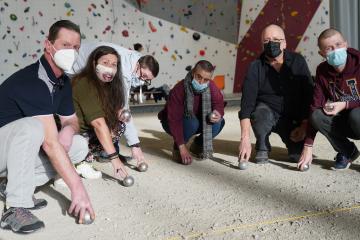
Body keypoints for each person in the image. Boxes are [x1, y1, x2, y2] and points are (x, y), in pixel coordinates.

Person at [0, 20, 94, 233]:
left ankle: (9, 186)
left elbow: (72, 121)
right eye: (65, 45)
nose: (71, 51)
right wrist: (78, 188)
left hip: (13, 153)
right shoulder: (32, 80)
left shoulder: (63, 82)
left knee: (79, 145)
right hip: (2, 149)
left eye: (76, 47)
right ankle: (15, 208)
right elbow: (50, 144)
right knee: (34, 128)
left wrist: (68, 132)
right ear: (48, 45)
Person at [71, 42, 159, 174]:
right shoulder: (122, 71)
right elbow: (124, 109)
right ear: (138, 65)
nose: (142, 81)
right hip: (74, 68)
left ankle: (106, 149)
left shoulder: (136, 59)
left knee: (116, 118)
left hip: (88, 72)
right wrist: (134, 145)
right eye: (143, 76)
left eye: (147, 80)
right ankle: (86, 154)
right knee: (106, 119)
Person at [238, 24, 314, 165]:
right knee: (260, 114)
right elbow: (246, 106)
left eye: (275, 39)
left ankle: (294, 146)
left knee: (297, 157)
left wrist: (304, 126)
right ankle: (262, 144)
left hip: (293, 120)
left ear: (284, 43)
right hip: (266, 114)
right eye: (266, 41)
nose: (271, 43)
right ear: (262, 45)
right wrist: (245, 138)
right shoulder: (255, 67)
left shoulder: (298, 61)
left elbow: (308, 95)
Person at [298, 28, 360, 171]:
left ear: (346, 44)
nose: (336, 50)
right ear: (322, 54)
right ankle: (347, 152)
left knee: (356, 115)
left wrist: (345, 104)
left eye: (338, 45)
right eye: (329, 48)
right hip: (345, 121)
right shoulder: (322, 71)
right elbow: (315, 105)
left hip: (357, 117)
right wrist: (308, 145)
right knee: (317, 116)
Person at [72, 46, 130, 179]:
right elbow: (98, 123)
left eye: (114, 64)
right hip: (72, 134)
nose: (109, 67)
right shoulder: (84, 82)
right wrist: (115, 160)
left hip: (85, 131)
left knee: (118, 126)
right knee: (103, 128)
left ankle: (85, 157)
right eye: (105, 63)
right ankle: (79, 160)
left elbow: (103, 111)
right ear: (94, 63)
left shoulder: (106, 86)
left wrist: (117, 112)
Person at [158, 60, 225, 165]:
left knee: (219, 122)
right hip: (171, 121)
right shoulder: (179, 89)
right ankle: (177, 146)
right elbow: (174, 120)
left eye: (206, 79)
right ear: (193, 72)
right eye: (199, 77)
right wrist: (182, 147)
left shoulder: (211, 86)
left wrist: (217, 112)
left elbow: (219, 102)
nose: (201, 82)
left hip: (196, 120)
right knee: (192, 123)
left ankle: (198, 144)